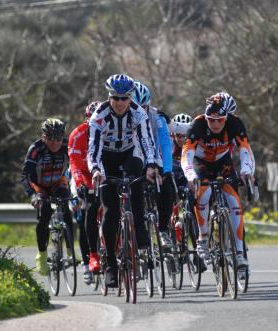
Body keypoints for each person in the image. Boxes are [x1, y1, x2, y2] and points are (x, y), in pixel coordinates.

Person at [88, 74, 158, 287]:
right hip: (106, 159)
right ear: (109, 97)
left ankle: (139, 227)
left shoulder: (138, 113)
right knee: (111, 212)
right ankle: (110, 264)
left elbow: (146, 141)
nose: (119, 103)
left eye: (124, 98)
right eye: (115, 98)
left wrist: (152, 165)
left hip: (129, 154)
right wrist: (96, 170)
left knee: (137, 182)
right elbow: (94, 148)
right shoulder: (99, 116)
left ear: (130, 98)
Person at [181, 92, 255, 269]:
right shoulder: (197, 125)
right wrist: (190, 175)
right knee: (203, 192)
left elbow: (245, 149)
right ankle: (203, 236)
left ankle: (239, 254)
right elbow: (187, 154)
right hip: (201, 163)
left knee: (235, 202)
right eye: (211, 120)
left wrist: (246, 171)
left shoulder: (235, 124)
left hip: (223, 163)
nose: (215, 123)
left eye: (220, 120)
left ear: (226, 117)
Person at [21, 118, 72, 276]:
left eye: (58, 139)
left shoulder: (67, 146)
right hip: (40, 186)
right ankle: (41, 255)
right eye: (50, 138)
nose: (55, 143)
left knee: (66, 207)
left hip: (58, 182)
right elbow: (25, 175)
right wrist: (32, 195)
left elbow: (77, 166)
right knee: (45, 211)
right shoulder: (36, 149)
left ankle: (70, 251)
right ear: (44, 136)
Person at [132, 81, 174, 249]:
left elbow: (165, 144)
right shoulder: (124, 115)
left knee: (167, 188)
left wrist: (168, 171)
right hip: (133, 159)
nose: (141, 111)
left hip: (153, 159)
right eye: (137, 107)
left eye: (145, 107)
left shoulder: (157, 117)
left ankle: (163, 230)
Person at [68, 101, 102, 284]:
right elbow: (74, 163)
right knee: (84, 218)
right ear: (87, 119)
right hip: (82, 176)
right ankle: (87, 260)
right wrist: (80, 184)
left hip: (100, 175)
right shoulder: (78, 134)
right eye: (93, 119)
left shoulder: (108, 132)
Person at [170, 113, 207, 272]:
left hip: (189, 179)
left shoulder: (194, 145)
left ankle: (197, 256)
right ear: (173, 135)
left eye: (184, 136)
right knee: (168, 213)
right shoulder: (169, 146)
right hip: (173, 178)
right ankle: (172, 251)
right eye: (178, 135)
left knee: (192, 213)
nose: (181, 139)